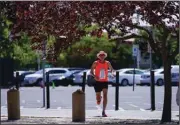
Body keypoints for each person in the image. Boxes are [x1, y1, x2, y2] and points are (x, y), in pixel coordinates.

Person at [90, 51, 115, 117]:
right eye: (100, 55)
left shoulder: (107, 63)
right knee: (98, 99)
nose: (102, 56)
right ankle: (99, 98)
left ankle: (103, 111)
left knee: (105, 95)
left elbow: (112, 70)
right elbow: (91, 72)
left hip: (105, 81)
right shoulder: (96, 63)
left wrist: (113, 74)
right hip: (97, 81)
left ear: (105, 56)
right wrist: (95, 76)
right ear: (98, 56)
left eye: (103, 55)